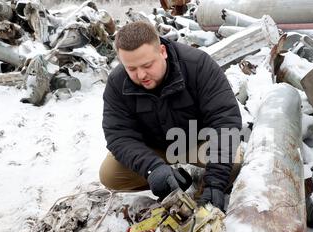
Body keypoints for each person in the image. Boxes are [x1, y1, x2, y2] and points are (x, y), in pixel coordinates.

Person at [99, 21, 242, 211]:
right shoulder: (117, 82)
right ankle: (169, 178)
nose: (141, 75)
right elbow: (118, 135)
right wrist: (152, 168)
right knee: (110, 176)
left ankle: (201, 184)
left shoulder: (198, 65)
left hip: (195, 142)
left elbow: (225, 120)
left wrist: (215, 184)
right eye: (131, 69)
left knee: (233, 165)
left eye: (147, 65)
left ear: (163, 51)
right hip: (153, 148)